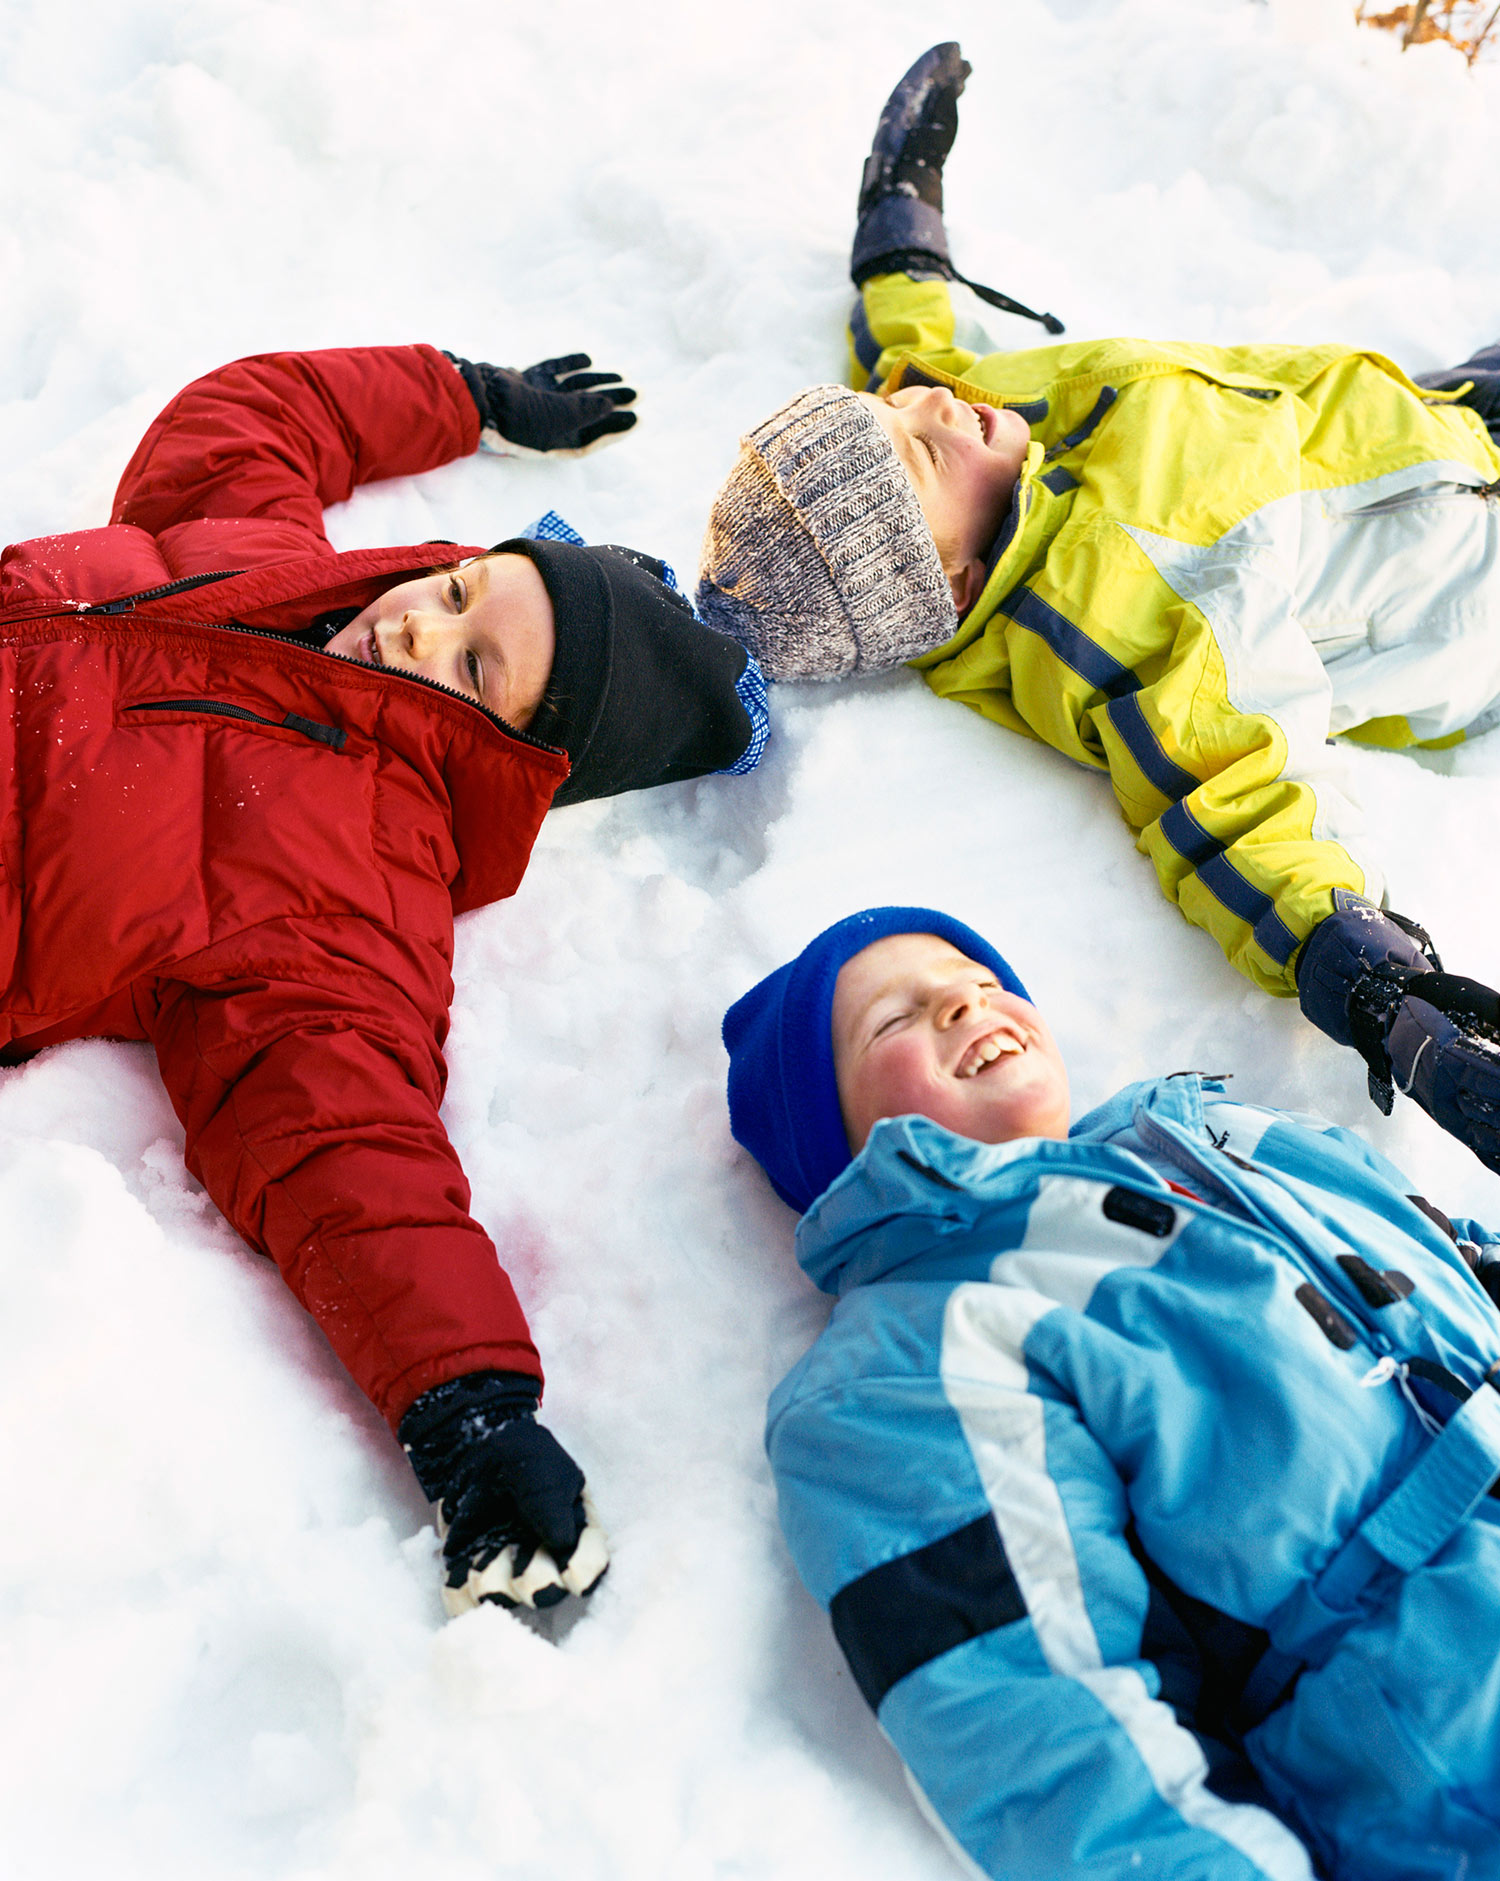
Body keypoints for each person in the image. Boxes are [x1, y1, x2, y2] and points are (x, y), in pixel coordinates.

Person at [0, 340, 768, 1615]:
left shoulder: (352, 893)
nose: (422, 624)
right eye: (464, 590)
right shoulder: (268, 560)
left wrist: (468, 1407)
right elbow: (260, 412)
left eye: (474, 667)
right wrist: (465, 392)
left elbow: (345, 1144)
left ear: (515, 754)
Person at [696, 41, 1500, 1180]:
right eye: (921, 450)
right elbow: (1218, 803)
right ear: (956, 586)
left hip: (1439, 424)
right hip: (1473, 581)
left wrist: (899, 220)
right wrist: (1382, 992)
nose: (935, 403)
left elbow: (905, 351)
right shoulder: (1114, 612)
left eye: (899, 416)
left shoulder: (971, 431)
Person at [722, 904, 1500, 1881]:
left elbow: (1458, 1260)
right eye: (896, 1017)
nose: (966, 996)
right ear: (826, 1137)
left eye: (980, 976)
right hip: (1453, 1721)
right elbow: (1054, 1738)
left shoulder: (1228, 1133)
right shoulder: (907, 1359)